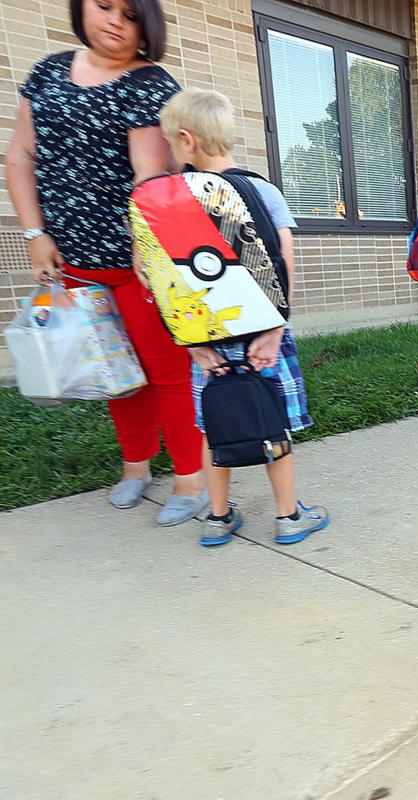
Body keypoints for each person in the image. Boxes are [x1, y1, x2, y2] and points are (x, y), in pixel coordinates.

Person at [5, 0, 208, 525]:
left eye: (130, 14)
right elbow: (20, 155)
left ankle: (189, 477)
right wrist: (34, 233)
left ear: (146, 26)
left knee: (165, 372)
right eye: (103, 5)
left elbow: (150, 172)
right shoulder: (47, 74)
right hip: (71, 261)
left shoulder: (149, 83)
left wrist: (144, 243)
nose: (116, 20)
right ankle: (135, 468)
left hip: (138, 264)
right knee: (114, 372)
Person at [155, 88, 330, 547]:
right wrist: (275, 329)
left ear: (187, 139)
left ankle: (217, 517)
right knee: (272, 421)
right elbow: (283, 262)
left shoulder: (171, 199)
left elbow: (156, 273)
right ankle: (289, 516)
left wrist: (194, 344)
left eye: (170, 141)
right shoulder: (261, 190)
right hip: (262, 335)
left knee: (213, 424)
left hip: (205, 338)